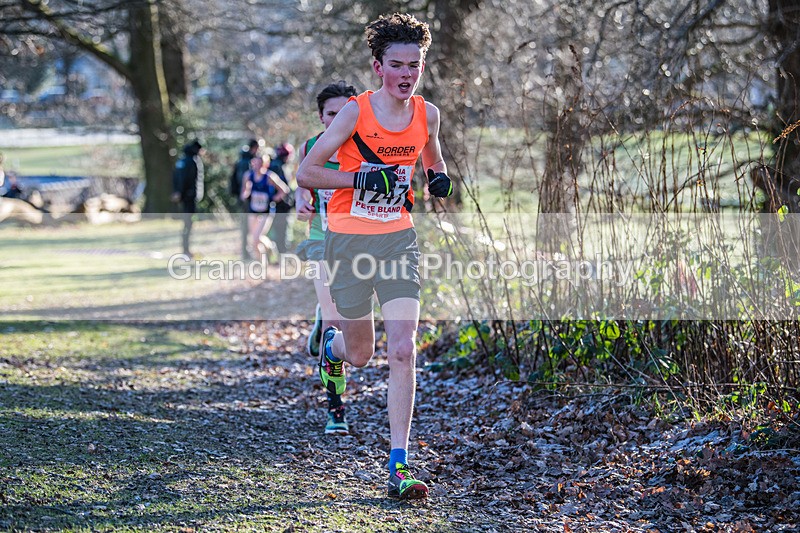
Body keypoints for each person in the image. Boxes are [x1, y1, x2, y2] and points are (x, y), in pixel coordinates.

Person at [296, 13, 454, 500]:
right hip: (348, 241)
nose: (407, 74)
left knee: (404, 348)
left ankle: (399, 463)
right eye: (397, 65)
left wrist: (439, 179)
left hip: (397, 240)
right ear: (378, 66)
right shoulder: (355, 113)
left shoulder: (427, 113)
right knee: (362, 354)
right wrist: (361, 178)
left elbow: (433, 160)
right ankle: (332, 348)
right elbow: (307, 173)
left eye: (415, 64)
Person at [295, 80, 358, 436]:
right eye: (330, 114)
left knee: (352, 324)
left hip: (360, 243)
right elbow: (301, 189)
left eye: (342, 113)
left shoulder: (367, 147)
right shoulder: (310, 147)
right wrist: (301, 203)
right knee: (336, 318)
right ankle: (336, 410)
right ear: (321, 117)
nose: (337, 120)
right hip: (321, 240)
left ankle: (323, 318)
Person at [240, 154, 286, 258]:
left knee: (257, 238)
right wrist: (246, 193)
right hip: (253, 210)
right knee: (254, 239)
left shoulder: (269, 176)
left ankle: (269, 252)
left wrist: (274, 198)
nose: (257, 166)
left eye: (260, 163)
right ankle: (262, 259)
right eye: (255, 163)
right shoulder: (248, 175)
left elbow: (284, 190)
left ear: (265, 164)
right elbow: (244, 192)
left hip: (266, 211)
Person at [171, 139, 205, 257]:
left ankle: (186, 249)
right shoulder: (191, 162)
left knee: (187, 223)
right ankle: (186, 250)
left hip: (185, 197)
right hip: (189, 198)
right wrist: (182, 192)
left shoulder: (182, 161)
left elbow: (176, 177)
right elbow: (186, 179)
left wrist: (177, 192)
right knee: (188, 224)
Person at [232, 139, 261, 259]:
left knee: (249, 226)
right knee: (247, 226)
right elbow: (244, 182)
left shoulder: (241, 160)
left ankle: (247, 251)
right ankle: (246, 252)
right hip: (246, 200)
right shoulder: (246, 162)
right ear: (254, 148)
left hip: (244, 199)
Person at [267, 142, 295, 255]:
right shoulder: (278, 166)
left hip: (280, 205)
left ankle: (279, 253)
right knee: (281, 231)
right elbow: (283, 188)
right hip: (280, 206)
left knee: (279, 231)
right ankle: (281, 254)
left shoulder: (277, 165)